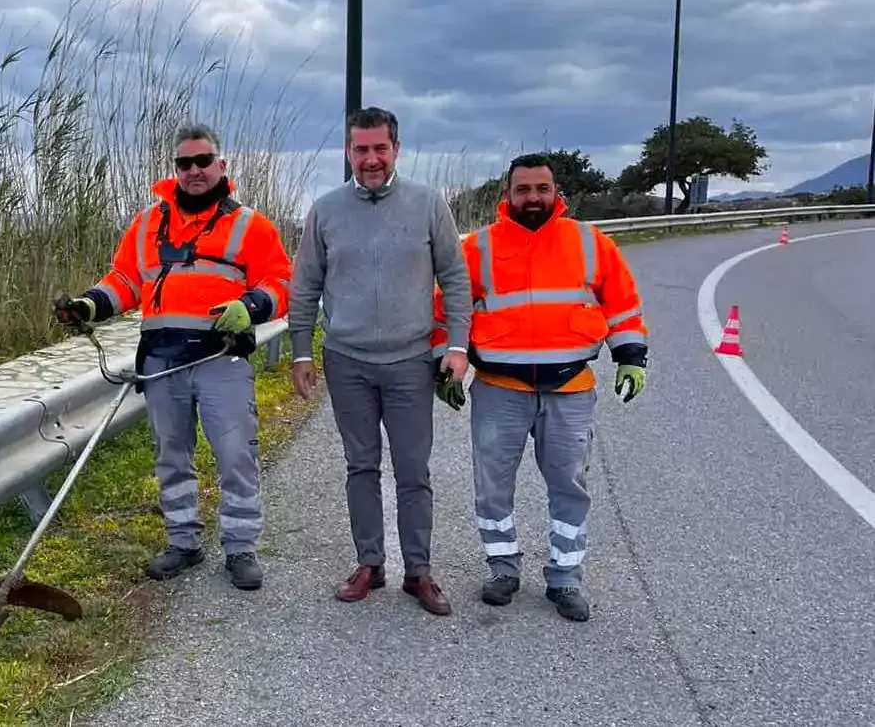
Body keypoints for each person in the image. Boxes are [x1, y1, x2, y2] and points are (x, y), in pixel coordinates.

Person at [52, 122, 292, 591]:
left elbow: (281, 283)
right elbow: (124, 281)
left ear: (221, 165)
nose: (194, 170)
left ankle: (240, 547)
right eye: (185, 163)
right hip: (163, 361)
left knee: (235, 454)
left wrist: (250, 307)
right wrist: (88, 306)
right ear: (175, 169)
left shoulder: (251, 225)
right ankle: (183, 541)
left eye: (203, 161)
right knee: (172, 456)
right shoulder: (147, 224)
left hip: (221, 358)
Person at [430, 152, 648, 622]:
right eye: (523, 189)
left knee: (570, 485)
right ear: (507, 195)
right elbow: (446, 312)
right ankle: (502, 568)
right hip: (499, 388)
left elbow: (623, 305)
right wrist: (443, 366)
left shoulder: (590, 243)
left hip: (570, 389)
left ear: (556, 193)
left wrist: (631, 356)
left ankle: (566, 577)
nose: (533, 197)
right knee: (492, 485)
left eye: (541, 189)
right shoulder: (478, 248)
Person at [286, 106, 472, 616]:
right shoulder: (325, 211)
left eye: (379, 149)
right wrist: (301, 351)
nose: (370, 159)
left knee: (412, 470)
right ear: (348, 152)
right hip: (347, 361)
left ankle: (419, 572)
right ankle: (369, 563)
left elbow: (455, 278)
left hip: (411, 362)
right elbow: (304, 286)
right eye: (360, 149)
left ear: (396, 149)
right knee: (361, 466)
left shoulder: (428, 204)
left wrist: (458, 345)